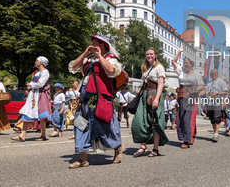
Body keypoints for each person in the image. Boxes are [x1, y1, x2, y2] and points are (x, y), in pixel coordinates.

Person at [68, 33, 124, 168]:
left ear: (103, 46)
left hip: (103, 98)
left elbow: (111, 71)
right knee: (80, 125)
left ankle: (117, 147)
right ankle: (83, 158)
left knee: (107, 126)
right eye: (92, 43)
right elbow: (74, 67)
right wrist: (84, 53)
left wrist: (100, 57)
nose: (93, 45)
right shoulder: (88, 60)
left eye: (96, 43)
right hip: (85, 98)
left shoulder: (111, 59)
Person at [131, 48, 168, 157]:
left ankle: (155, 149)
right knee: (139, 120)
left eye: (151, 54)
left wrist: (157, 98)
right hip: (144, 96)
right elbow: (144, 81)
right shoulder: (145, 67)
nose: (149, 56)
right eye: (147, 54)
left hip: (154, 94)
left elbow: (160, 84)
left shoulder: (159, 67)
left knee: (155, 121)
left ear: (155, 55)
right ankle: (143, 146)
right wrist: (140, 91)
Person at [11, 57, 51, 142]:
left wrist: (31, 85)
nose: (35, 62)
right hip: (33, 95)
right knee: (27, 112)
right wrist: (30, 87)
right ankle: (22, 135)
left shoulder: (45, 72)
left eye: (37, 61)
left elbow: (41, 84)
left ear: (42, 63)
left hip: (40, 95)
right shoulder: (37, 72)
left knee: (42, 115)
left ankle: (43, 135)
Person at [172, 46, 205, 148]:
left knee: (188, 117)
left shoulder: (196, 74)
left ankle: (186, 140)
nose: (185, 64)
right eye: (184, 62)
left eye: (187, 63)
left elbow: (202, 86)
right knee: (181, 117)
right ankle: (188, 136)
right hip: (181, 96)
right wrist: (179, 52)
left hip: (191, 97)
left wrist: (195, 89)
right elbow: (173, 61)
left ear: (191, 64)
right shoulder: (180, 71)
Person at [200, 69, 228, 142]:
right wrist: (197, 95)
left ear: (214, 74)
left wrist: (217, 94)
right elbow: (205, 90)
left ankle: (216, 134)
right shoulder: (209, 83)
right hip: (209, 103)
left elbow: (226, 92)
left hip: (217, 103)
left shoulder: (221, 82)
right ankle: (215, 134)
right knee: (212, 119)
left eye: (210, 74)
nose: (209, 75)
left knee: (216, 118)